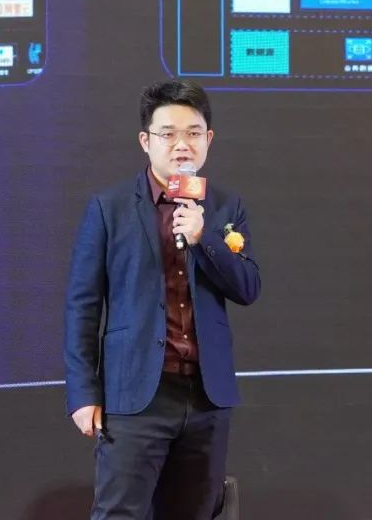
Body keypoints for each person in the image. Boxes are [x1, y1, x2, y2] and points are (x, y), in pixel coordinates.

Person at [63, 80, 261, 519]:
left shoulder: (225, 206)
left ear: (209, 139)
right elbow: (83, 306)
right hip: (135, 394)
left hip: (206, 397)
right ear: (145, 141)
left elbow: (248, 287)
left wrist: (204, 238)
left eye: (193, 133)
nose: (181, 144)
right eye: (168, 134)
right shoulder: (110, 207)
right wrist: (82, 392)